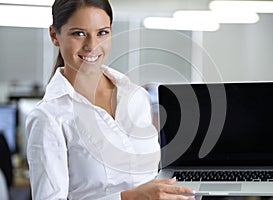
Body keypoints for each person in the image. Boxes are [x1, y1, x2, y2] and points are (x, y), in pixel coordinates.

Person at [26, 0, 196, 199]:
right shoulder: (49, 117)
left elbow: (149, 180)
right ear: (55, 35)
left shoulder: (136, 97)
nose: (92, 45)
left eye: (102, 33)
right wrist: (128, 197)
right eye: (78, 33)